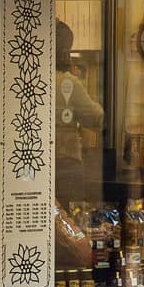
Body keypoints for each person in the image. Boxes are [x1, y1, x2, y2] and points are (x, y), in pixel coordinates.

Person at [55, 20, 104, 205]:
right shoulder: (67, 82)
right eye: (67, 49)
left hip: (40, 165)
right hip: (66, 165)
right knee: (69, 218)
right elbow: (97, 119)